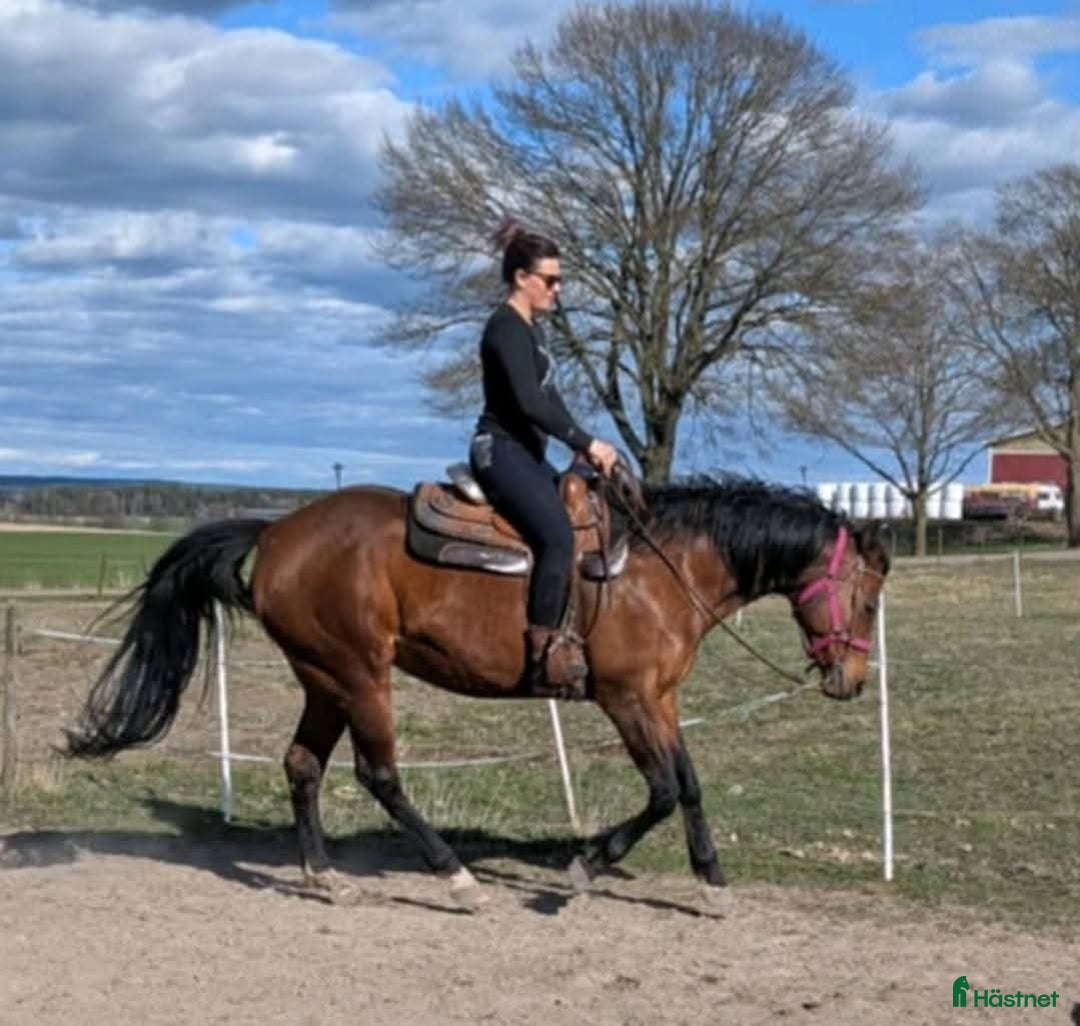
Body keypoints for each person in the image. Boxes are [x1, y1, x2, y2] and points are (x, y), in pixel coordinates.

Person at [469, 218, 619, 698]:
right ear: (521, 278)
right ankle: (542, 656)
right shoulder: (506, 329)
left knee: (582, 520)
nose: (558, 289)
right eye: (550, 280)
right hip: (500, 451)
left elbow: (550, 403)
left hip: (528, 454)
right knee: (556, 536)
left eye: (560, 280)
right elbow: (530, 405)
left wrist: (580, 442)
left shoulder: (533, 331)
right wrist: (587, 441)